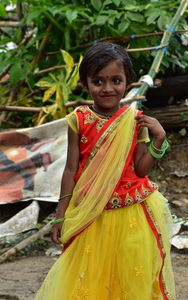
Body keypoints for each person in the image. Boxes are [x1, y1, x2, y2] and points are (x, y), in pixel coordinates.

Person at [34, 42, 176, 300]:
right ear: (86, 84)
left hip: (131, 212)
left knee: (129, 275)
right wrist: (60, 215)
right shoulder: (78, 119)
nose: (108, 88)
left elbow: (141, 170)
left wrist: (158, 139)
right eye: (98, 81)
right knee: (91, 277)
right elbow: (70, 170)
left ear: (127, 81)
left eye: (116, 80)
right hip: (92, 213)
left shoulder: (134, 120)